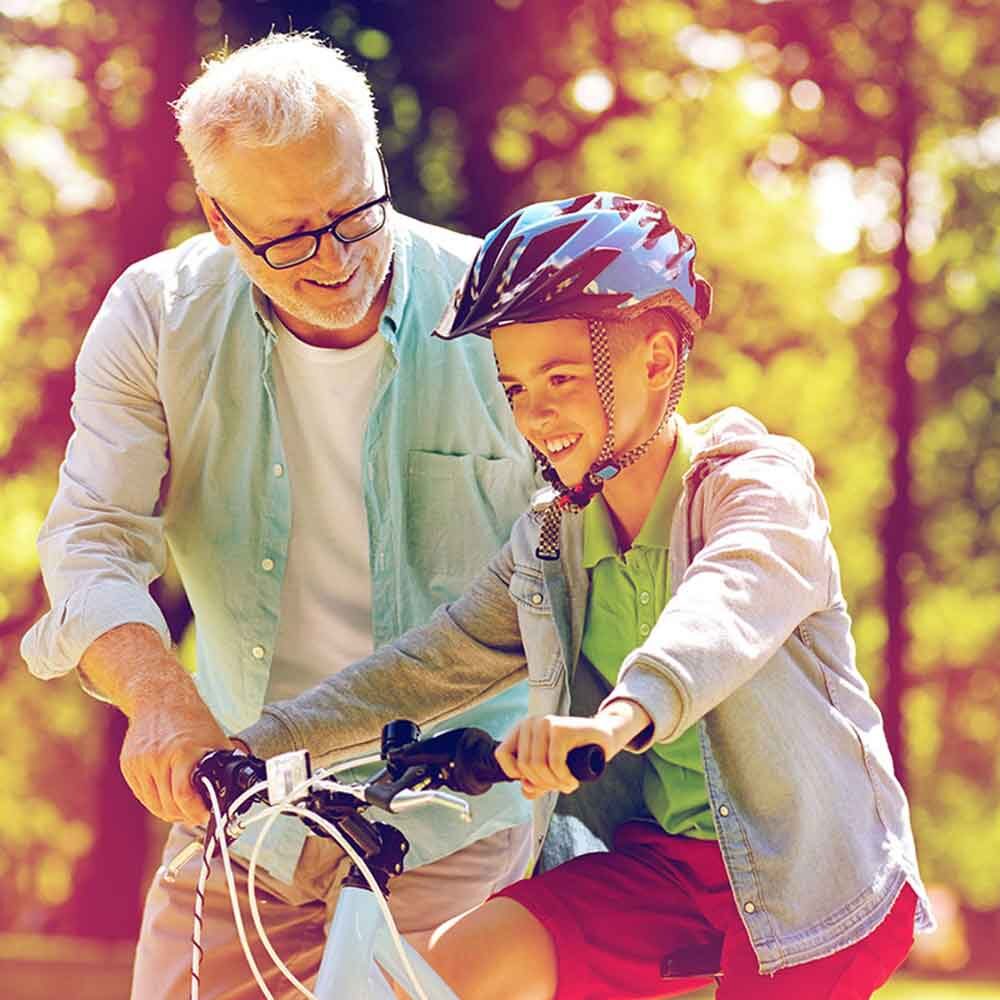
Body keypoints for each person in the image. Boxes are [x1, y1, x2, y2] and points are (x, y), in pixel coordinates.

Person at [235, 193, 936, 999]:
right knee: (455, 965)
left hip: (807, 875)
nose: (537, 416)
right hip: (662, 872)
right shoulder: (552, 541)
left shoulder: (755, 488)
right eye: (516, 388)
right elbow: (432, 663)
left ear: (657, 359)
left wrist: (619, 716)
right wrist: (257, 745)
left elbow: (727, 604)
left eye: (561, 377)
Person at [20, 32, 539, 1000]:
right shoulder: (157, 316)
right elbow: (91, 536)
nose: (335, 259)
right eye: (290, 236)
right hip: (243, 812)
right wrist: (162, 701)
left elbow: (600, 535)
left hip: (462, 814)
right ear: (221, 221)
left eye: (353, 212)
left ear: (378, 166)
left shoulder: (502, 313)